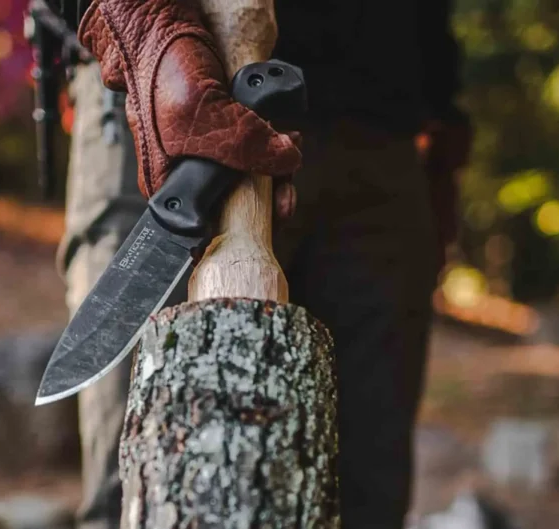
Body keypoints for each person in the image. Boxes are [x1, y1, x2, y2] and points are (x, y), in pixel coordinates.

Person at [58, 1, 473, 528]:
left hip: (378, 112)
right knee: (138, 490)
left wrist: (442, 114)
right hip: (158, 98)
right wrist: (143, 27)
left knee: (368, 496)